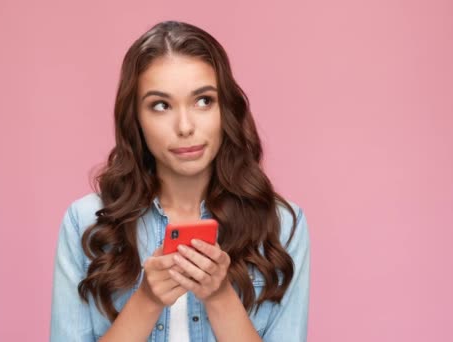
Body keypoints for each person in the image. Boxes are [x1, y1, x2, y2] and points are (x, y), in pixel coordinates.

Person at [50, 20, 310, 342]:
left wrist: (219, 297)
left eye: (203, 101)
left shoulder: (283, 225)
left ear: (225, 109)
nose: (185, 126)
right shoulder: (85, 222)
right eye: (161, 105)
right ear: (136, 120)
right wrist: (146, 300)